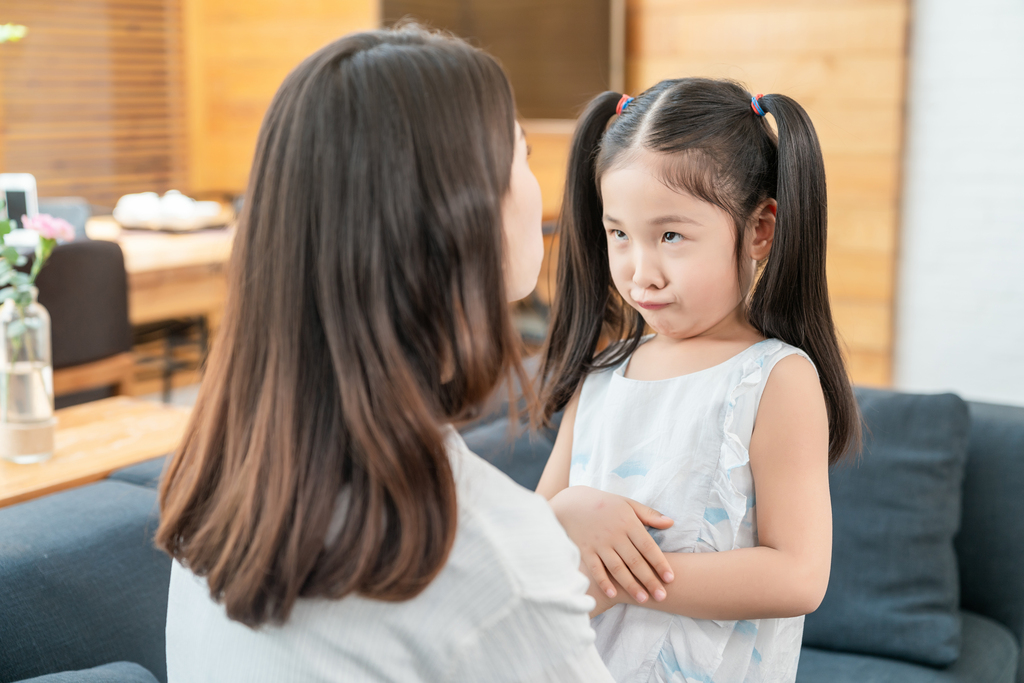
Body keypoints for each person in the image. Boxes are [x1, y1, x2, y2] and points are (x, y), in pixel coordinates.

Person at [156, 26, 616, 683]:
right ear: (463, 218)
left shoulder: (221, 489)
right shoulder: (493, 554)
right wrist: (540, 556)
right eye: (521, 154)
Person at [535, 79, 862, 683]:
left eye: (670, 236)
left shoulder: (774, 379)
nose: (641, 272)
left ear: (760, 230)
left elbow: (798, 575)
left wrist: (623, 576)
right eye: (620, 235)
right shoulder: (603, 377)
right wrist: (568, 515)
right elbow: (535, 530)